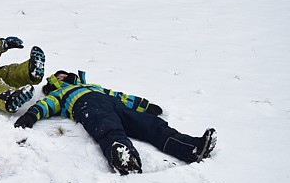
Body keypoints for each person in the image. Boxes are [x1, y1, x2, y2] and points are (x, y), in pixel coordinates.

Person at [14, 70, 217, 175]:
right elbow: (46, 105)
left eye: (64, 74)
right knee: (108, 129)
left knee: (151, 124)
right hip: (87, 108)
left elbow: (119, 95)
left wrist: (144, 106)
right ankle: (124, 159)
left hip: (114, 103)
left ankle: (191, 147)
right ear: (54, 83)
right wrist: (31, 115)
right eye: (58, 76)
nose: (62, 76)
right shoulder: (60, 93)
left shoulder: (92, 85)